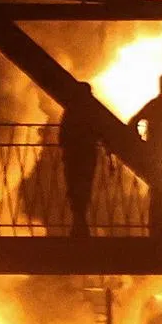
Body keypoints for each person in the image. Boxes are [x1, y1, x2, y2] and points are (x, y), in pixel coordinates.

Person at [129, 72, 162, 238]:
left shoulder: (160, 104)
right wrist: (141, 144)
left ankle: (158, 228)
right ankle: (158, 228)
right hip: (160, 156)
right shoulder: (159, 104)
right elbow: (135, 120)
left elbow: (135, 120)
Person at [59, 81, 99, 236]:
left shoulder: (71, 111)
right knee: (84, 189)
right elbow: (98, 132)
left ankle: (78, 223)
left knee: (74, 189)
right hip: (86, 157)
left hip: (73, 157)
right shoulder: (91, 113)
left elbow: (62, 136)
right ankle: (80, 223)